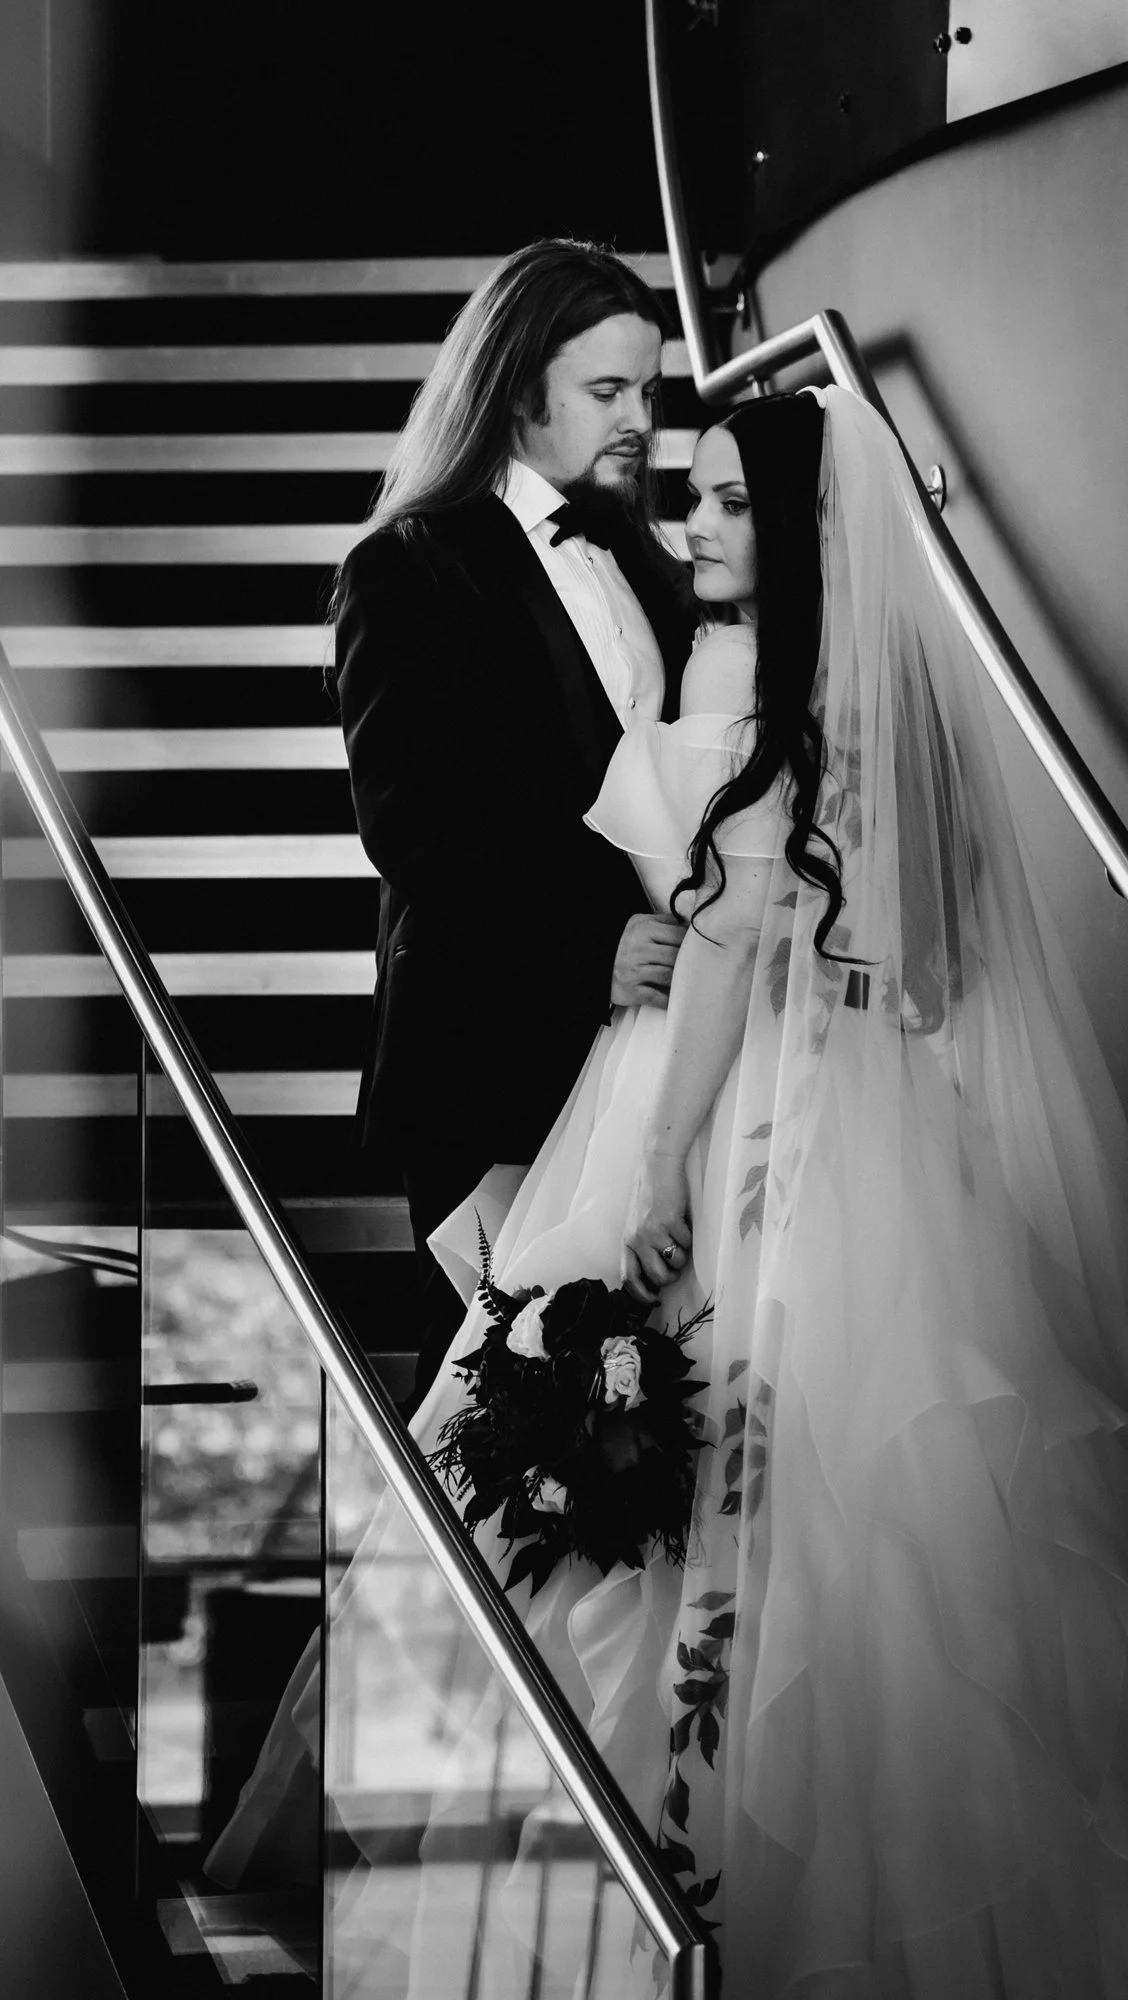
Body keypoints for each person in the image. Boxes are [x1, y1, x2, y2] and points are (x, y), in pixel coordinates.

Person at [383, 384, 1128, 1997]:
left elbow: (742, 943)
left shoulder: (768, 687)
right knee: (852, 1486)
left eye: (734, 503)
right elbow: (902, 951)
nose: (697, 526)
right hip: (846, 1103)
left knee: (769, 1474)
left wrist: (667, 1159)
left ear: (814, 525)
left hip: (722, 1105)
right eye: (690, 498)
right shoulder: (843, 689)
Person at [335, 239, 696, 1414]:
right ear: (516, 383)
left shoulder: (644, 560)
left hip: (649, 1062)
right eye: (608, 392)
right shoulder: (407, 568)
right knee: (534, 1443)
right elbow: (414, 830)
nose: (639, 419)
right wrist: (592, 947)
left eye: (648, 389)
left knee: (657, 1429)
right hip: (490, 1066)